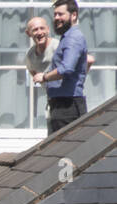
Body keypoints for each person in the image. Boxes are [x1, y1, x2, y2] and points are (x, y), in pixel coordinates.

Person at [34, 0, 89, 133]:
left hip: (68, 107)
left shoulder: (73, 38)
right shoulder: (67, 37)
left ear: (73, 15)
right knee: (58, 150)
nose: (56, 18)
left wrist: (45, 77)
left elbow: (67, 68)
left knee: (66, 151)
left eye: (61, 14)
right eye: (55, 15)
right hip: (62, 105)